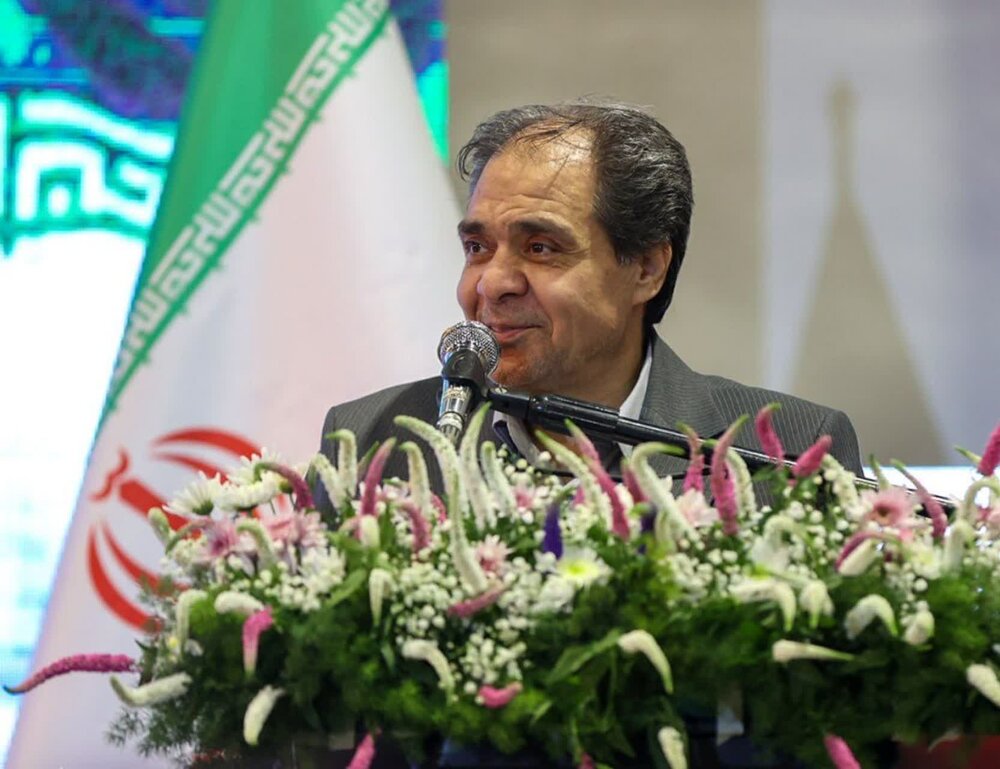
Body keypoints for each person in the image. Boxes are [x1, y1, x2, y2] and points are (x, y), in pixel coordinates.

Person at [318, 101, 865, 769]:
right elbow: (318, 713)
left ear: (646, 269)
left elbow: (831, 725)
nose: (491, 283)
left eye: (540, 247)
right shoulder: (373, 442)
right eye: (477, 247)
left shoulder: (789, 455)